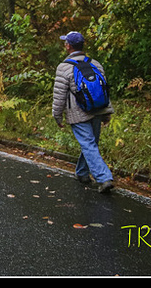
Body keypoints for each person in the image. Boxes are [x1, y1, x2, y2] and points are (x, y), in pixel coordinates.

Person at [52, 31, 115, 193]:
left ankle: (104, 178)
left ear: (68, 46)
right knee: (90, 144)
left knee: (88, 144)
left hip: (78, 114)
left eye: (65, 43)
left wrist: (57, 116)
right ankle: (82, 173)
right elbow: (104, 90)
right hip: (97, 110)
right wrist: (106, 112)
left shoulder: (64, 67)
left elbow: (59, 96)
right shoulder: (95, 63)